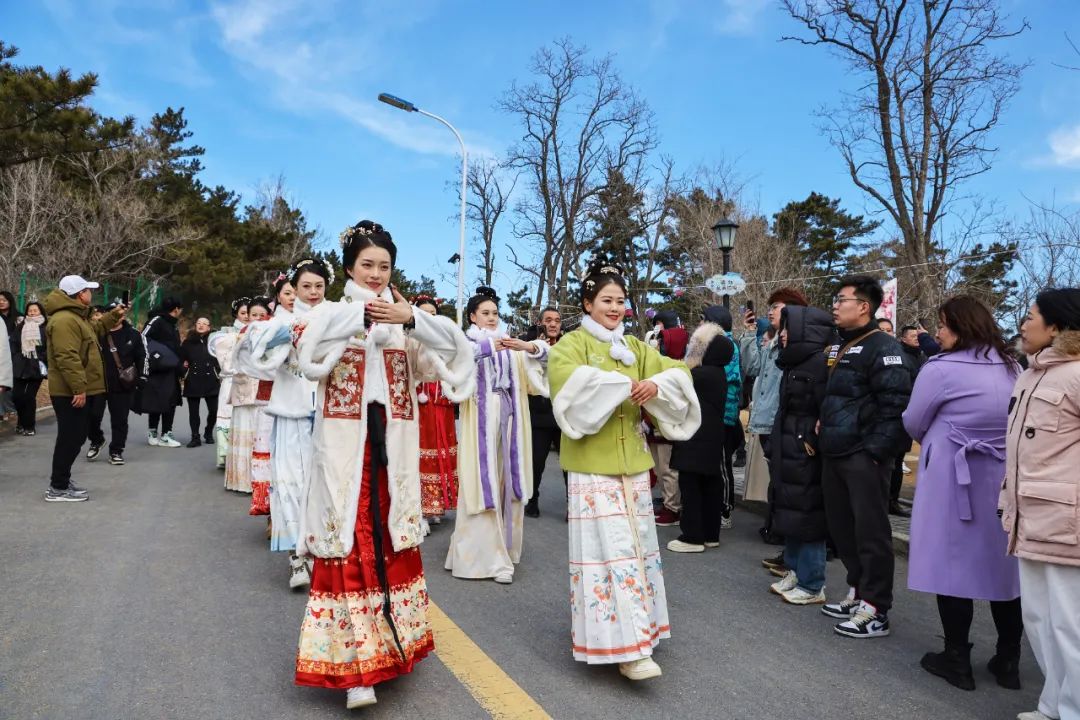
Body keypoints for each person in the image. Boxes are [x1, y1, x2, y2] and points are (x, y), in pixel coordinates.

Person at [291, 220, 475, 710]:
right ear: (350, 266)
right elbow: (305, 358)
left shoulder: (404, 321)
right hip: (344, 460)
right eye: (367, 264)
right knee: (348, 545)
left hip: (392, 461)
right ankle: (354, 671)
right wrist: (356, 321)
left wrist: (411, 319)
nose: (375, 274)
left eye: (384, 266)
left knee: (391, 540)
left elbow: (458, 354)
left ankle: (393, 649)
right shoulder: (330, 316)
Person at [548, 257, 700, 681]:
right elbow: (567, 388)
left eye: (620, 301)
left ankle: (638, 637)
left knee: (636, 550)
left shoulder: (635, 348)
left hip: (633, 464)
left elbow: (677, 372)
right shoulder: (571, 345)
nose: (615, 308)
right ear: (587, 303)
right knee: (605, 551)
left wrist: (657, 385)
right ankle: (622, 646)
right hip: (592, 466)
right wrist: (618, 385)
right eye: (606, 300)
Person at [901, 295, 1023, 692]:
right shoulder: (1012, 366)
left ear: (959, 326)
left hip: (953, 477)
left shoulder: (941, 368)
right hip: (1001, 475)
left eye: (942, 325)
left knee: (951, 565)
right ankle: (1009, 660)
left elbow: (914, 421)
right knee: (1004, 568)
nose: (936, 333)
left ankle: (957, 659)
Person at [818, 275, 912, 638]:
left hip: (863, 456)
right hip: (835, 451)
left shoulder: (884, 347)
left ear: (864, 306)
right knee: (843, 528)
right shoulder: (841, 345)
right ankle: (857, 591)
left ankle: (876, 608)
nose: (835, 306)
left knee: (871, 532)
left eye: (841, 300)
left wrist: (874, 453)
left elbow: (895, 406)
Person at [1001, 288, 1080, 720]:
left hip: (1068, 521)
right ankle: (1054, 705)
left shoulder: (1077, 374)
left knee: (1071, 627)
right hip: (1027, 515)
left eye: (1031, 316)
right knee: (1040, 620)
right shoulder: (1029, 374)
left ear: (1057, 327)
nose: (1023, 323)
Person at [236, 258, 331, 588]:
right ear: (294, 288)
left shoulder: (335, 316)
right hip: (290, 413)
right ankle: (297, 557)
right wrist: (284, 335)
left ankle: (323, 552)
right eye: (306, 286)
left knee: (323, 485)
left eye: (319, 286)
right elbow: (255, 354)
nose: (313, 292)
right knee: (290, 484)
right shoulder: (280, 323)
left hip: (328, 415)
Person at [445, 286, 548, 585]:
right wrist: (491, 348)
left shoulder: (510, 345)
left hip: (511, 415)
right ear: (473, 316)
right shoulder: (466, 342)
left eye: (494, 313)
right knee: (481, 479)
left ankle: (505, 549)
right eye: (485, 313)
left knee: (506, 479)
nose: (491, 318)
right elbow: (456, 366)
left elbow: (542, 365)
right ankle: (478, 558)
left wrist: (529, 347)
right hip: (480, 415)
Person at [767, 305, 834, 605]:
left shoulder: (821, 363)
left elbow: (826, 408)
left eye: (787, 330)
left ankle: (812, 583)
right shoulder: (793, 363)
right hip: (789, 445)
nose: (782, 335)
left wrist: (810, 439)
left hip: (806, 448)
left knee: (808, 515)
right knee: (790, 509)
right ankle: (795, 570)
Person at [742, 287, 811, 566]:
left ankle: (789, 547)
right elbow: (751, 368)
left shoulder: (799, 343)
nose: (770, 311)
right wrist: (749, 334)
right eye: (770, 306)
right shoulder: (770, 341)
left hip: (783, 422)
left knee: (786, 485)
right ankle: (780, 537)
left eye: (778, 306)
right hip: (765, 419)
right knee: (777, 484)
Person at [42, 275, 125, 502]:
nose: (91, 293)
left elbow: (96, 329)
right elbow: (66, 356)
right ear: (80, 294)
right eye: (88, 290)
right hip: (69, 391)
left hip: (75, 389)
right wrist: (78, 388)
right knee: (70, 437)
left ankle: (61, 481)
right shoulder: (65, 320)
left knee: (75, 436)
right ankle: (57, 487)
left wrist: (114, 315)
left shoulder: (76, 317)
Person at [667, 307, 733, 553]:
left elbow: (671, 383)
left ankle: (692, 536)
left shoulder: (698, 374)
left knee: (691, 484)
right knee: (710, 483)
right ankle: (710, 533)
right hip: (713, 436)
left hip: (694, 436)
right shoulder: (718, 374)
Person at [413, 295, 460, 524]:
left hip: (442, 402)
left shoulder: (446, 341)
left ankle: (437, 502)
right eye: (424, 314)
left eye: (433, 314)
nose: (429, 319)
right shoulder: (410, 340)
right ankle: (421, 505)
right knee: (422, 451)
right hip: (421, 404)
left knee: (444, 448)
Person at [223, 298, 272, 493]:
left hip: (263, 393)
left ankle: (259, 480)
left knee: (259, 436)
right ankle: (242, 480)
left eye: (262, 315)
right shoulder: (239, 336)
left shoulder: (271, 335)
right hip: (243, 392)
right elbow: (228, 363)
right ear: (247, 317)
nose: (258, 319)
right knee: (244, 435)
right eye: (254, 315)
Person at [88, 302, 144, 465]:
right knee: (91, 416)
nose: (119, 316)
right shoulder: (97, 333)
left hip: (122, 384)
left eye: (121, 313)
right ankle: (96, 440)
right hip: (97, 382)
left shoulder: (133, 334)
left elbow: (141, 356)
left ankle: (116, 450)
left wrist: (142, 376)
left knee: (119, 419)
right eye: (114, 313)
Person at [648, 309, 689, 528]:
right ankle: (667, 502)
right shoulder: (661, 348)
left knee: (667, 468)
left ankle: (673, 507)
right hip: (655, 419)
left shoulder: (675, 354)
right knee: (660, 467)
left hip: (668, 419)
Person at [704, 305, 743, 530]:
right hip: (711, 411)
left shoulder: (726, 344)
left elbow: (728, 377)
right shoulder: (709, 342)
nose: (701, 324)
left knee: (722, 462)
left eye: (705, 320)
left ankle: (726, 508)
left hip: (723, 412)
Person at [524, 306, 563, 518]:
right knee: (537, 461)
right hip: (539, 413)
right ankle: (532, 499)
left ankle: (573, 504)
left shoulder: (568, 345)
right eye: (548, 319)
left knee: (567, 462)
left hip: (563, 413)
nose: (553, 323)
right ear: (541, 322)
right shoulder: (530, 345)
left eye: (557, 320)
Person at [207, 297, 250, 469]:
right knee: (226, 415)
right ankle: (225, 455)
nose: (247, 316)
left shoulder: (259, 329)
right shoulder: (226, 332)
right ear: (236, 314)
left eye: (249, 312)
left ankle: (244, 455)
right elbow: (212, 346)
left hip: (250, 380)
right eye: (243, 313)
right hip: (230, 380)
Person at [139, 298, 184, 448]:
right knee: (156, 401)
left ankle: (166, 434)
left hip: (172, 368)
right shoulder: (157, 320)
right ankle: (152, 431)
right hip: (157, 368)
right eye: (180, 309)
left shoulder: (173, 324)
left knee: (171, 401)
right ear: (176, 309)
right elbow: (143, 336)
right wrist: (156, 355)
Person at [179, 317, 220, 448]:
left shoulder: (215, 341)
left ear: (209, 327)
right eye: (199, 323)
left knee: (214, 411)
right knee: (193, 412)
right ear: (195, 325)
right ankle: (195, 437)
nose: (201, 325)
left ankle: (208, 432)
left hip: (211, 379)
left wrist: (217, 371)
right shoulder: (188, 342)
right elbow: (181, 359)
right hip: (193, 380)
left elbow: (222, 356)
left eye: (204, 324)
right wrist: (184, 371)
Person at [12, 302, 47, 436]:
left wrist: (41, 358)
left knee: (29, 396)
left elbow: (49, 346)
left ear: (41, 312)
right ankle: (21, 422)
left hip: (36, 367)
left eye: (35, 310)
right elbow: (14, 343)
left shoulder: (45, 327)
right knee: (17, 396)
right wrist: (16, 357)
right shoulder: (21, 327)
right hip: (20, 365)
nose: (32, 313)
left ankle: (29, 426)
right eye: (30, 310)